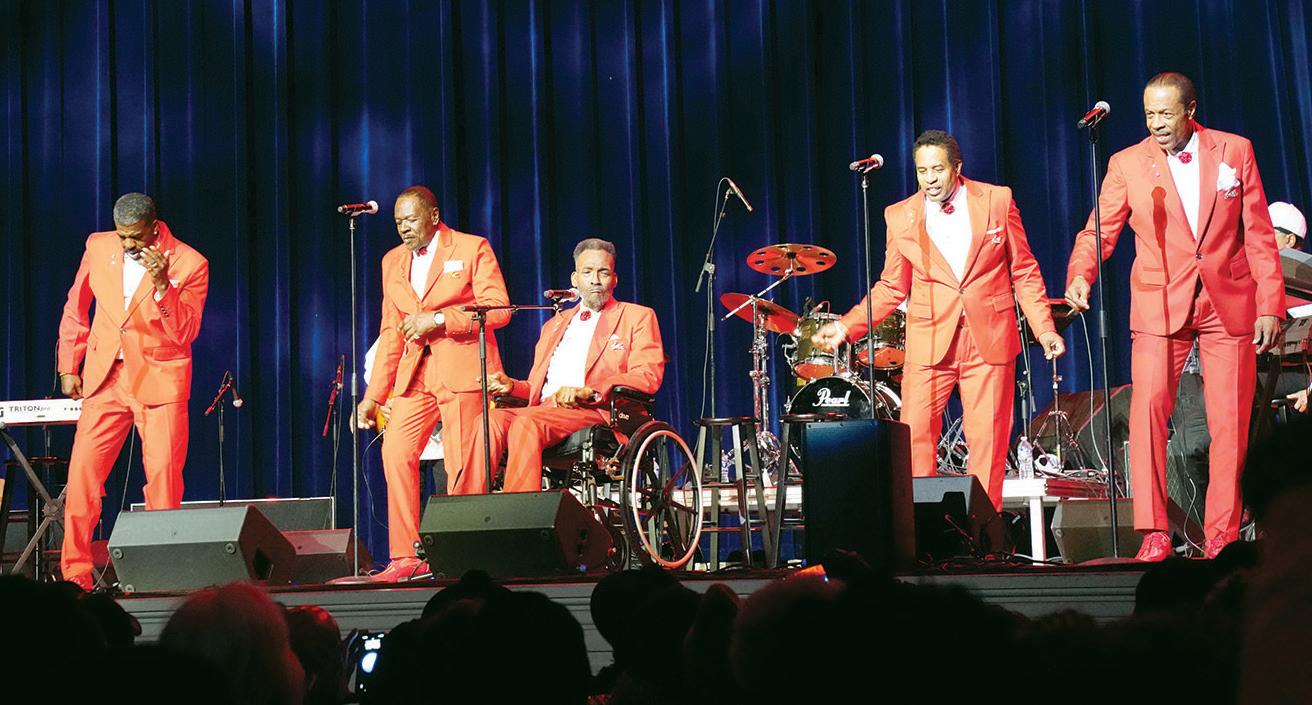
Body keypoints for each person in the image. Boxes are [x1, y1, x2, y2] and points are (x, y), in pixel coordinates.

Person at [1064, 72, 1284, 561]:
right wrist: (1081, 273)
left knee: (1229, 422)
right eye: (1149, 114)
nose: (1157, 123)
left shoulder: (1234, 151)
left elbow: (1259, 234)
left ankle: (1223, 534)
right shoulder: (1126, 163)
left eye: (1165, 113)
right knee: (1147, 412)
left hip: (1227, 301)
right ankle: (1155, 531)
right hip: (1159, 302)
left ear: (1190, 110)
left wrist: (1270, 304)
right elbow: (1098, 231)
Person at [812, 130, 1064, 510]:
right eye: (922, 171)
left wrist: (1044, 329)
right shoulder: (900, 216)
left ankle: (982, 534)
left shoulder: (997, 201)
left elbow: (1024, 270)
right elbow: (891, 287)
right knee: (914, 442)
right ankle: (919, 530)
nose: (929, 179)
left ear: (957, 168)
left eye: (937, 170)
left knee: (988, 444)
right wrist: (847, 326)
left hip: (988, 338)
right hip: (930, 339)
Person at [355, 186, 510, 582]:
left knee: (461, 465)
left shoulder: (472, 248)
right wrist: (373, 397)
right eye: (398, 223)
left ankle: (463, 556)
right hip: (415, 373)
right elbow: (391, 332)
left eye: (410, 220)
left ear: (434, 216)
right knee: (396, 452)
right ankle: (406, 557)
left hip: (461, 368)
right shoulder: (392, 261)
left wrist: (440, 319)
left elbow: (499, 309)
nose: (404, 228)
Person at [57, 193, 209, 591]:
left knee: (162, 480)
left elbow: (185, 332)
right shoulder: (98, 246)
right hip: (105, 377)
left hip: (159, 378)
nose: (127, 244)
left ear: (154, 228)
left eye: (136, 237)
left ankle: (159, 571)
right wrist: (68, 365)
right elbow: (76, 306)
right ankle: (75, 572)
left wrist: (162, 285)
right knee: (82, 477)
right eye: (122, 236)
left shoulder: (190, 263)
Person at [471, 238, 665, 492]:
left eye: (603, 272)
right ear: (575, 278)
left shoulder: (637, 316)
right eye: (588, 272)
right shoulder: (553, 325)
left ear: (614, 279)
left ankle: (519, 510)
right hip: (544, 409)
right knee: (488, 421)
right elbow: (538, 389)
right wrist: (512, 387)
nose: (595, 280)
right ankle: (467, 507)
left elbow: (647, 375)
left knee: (526, 423)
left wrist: (590, 391)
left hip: (593, 410)